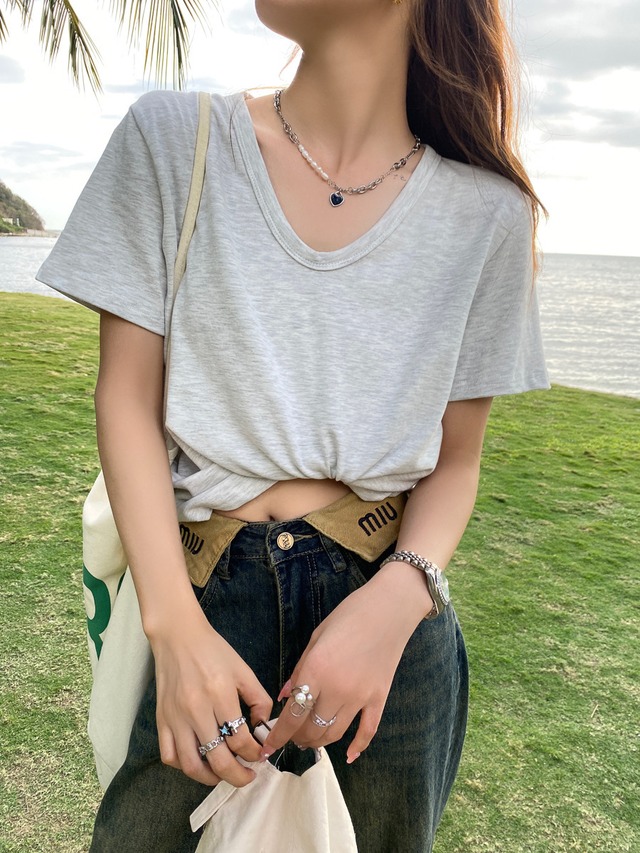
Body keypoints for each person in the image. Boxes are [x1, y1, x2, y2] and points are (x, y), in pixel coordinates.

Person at [37, 0, 549, 850]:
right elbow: (125, 397)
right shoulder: (174, 141)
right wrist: (174, 625)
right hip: (200, 592)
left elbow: (457, 461)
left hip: (388, 613)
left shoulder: (488, 215)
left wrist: (397, 600)